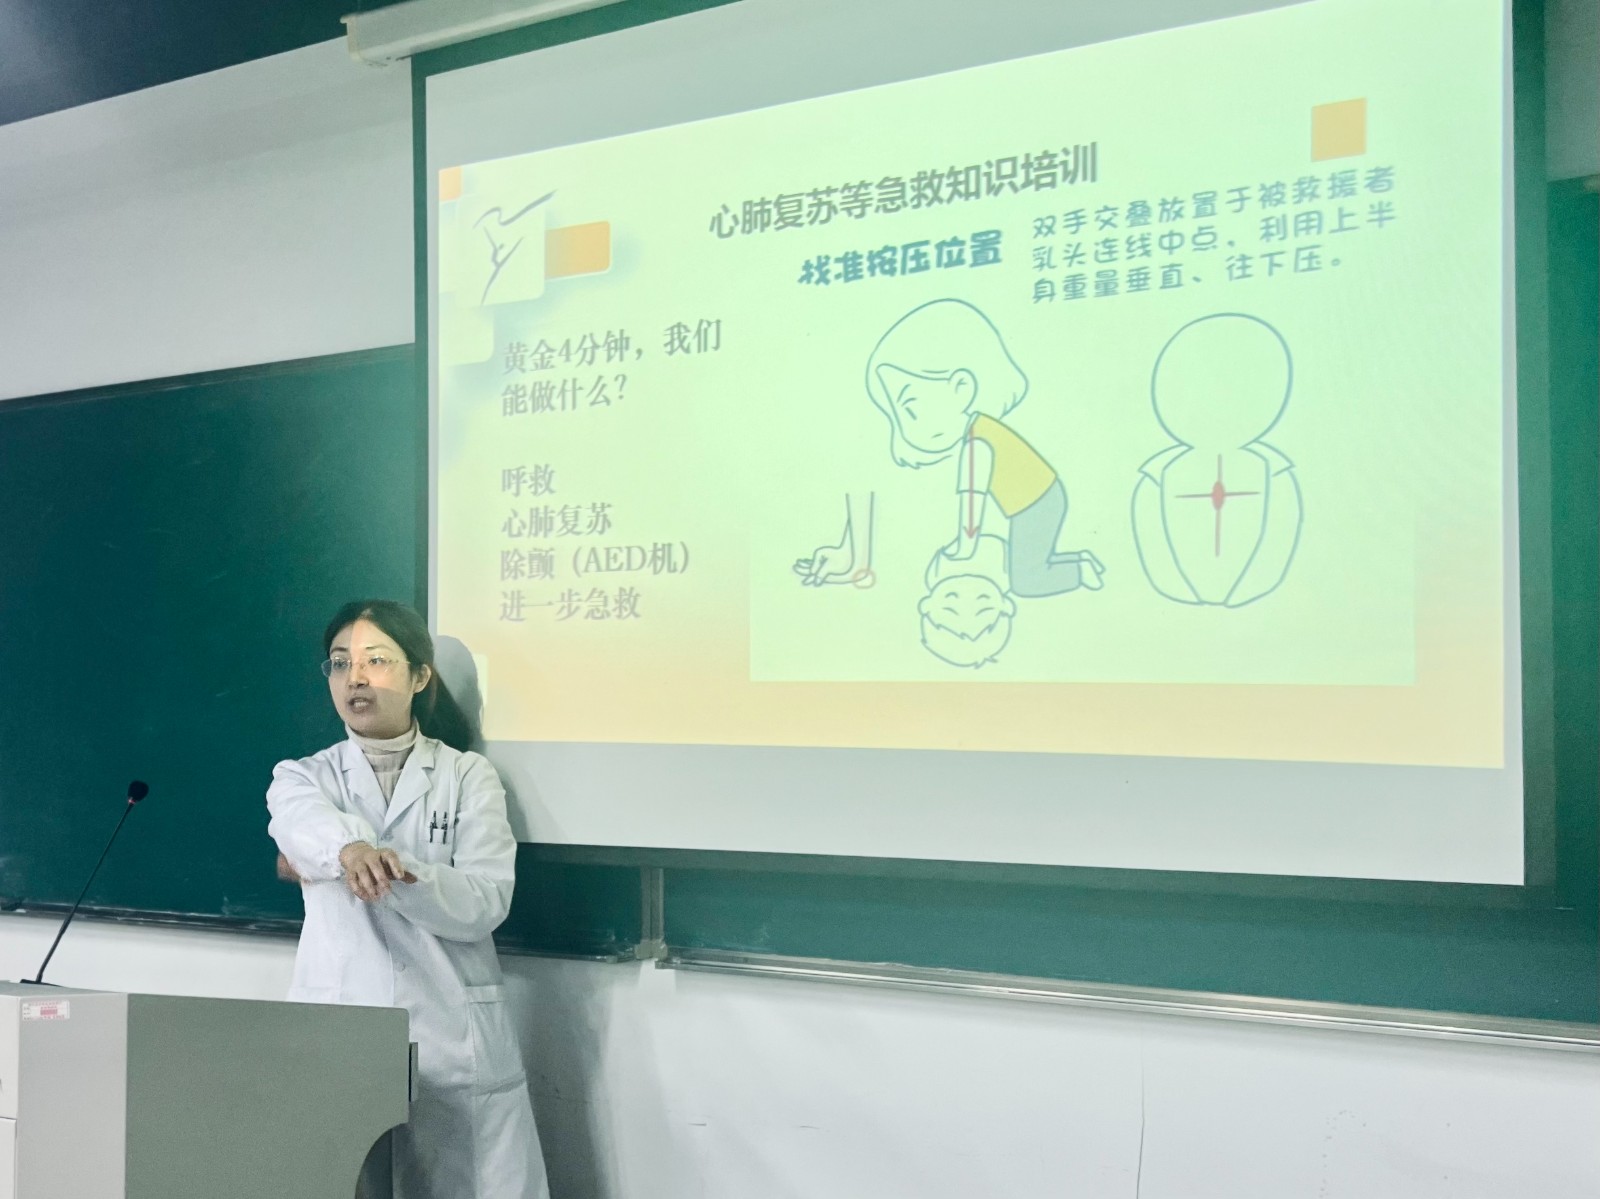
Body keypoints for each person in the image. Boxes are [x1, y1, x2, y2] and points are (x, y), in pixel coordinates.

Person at [267, 599, 547, 1199]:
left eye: (376, 660)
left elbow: (484, 901)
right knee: (339, 1181)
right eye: (340, 663)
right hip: (341, 1025)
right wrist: (350, 853)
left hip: (450, 1035)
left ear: (419, 676)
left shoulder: (468, 776)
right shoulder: (302, 776)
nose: (355, 678)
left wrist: (391, 870)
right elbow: (299, 825)